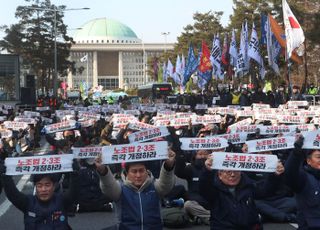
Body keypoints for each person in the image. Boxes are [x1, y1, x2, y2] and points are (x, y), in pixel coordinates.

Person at [95, 149, 176, 230]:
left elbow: (165, 184)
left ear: (147, 171)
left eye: (141, 171)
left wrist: (168, 166)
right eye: (134, 171)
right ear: (127, 173)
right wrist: (103, 171)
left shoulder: (155, 186)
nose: (138, 175)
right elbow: (109, 186)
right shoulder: (120, 189)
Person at [199, 154, 285, 230]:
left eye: (236, 171)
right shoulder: (214, 190)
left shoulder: (249, 185)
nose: (232, 175)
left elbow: (265, 191)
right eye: (228, 172)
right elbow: (203, 187)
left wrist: (275, 175)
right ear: (220, 175)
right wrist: (207, 170)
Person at [0, 161, 79, 230]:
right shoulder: (28, 202)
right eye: (39, 186)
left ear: (54, 186)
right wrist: (5, 176)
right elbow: (12, 194)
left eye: (47, 185)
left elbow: (74, 191)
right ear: (35, 187)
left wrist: (75, 173)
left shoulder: (62, 200)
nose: (43, 189)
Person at [285, 135, 320, 229]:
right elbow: (290, 173)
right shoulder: (303, 178)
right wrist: (296, 153)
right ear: (308, 160)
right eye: (318, 157)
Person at [175, 149, 210, 224]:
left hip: (213, 202)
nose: (203, 156)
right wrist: (180, 156)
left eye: (205, 154)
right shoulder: (190, 168)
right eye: (200, 154)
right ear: (195, 156)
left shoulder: (215, 168)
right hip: (196, 202)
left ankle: (204, 217)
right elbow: (179, 172)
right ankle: (211, 216)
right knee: (188, 205)